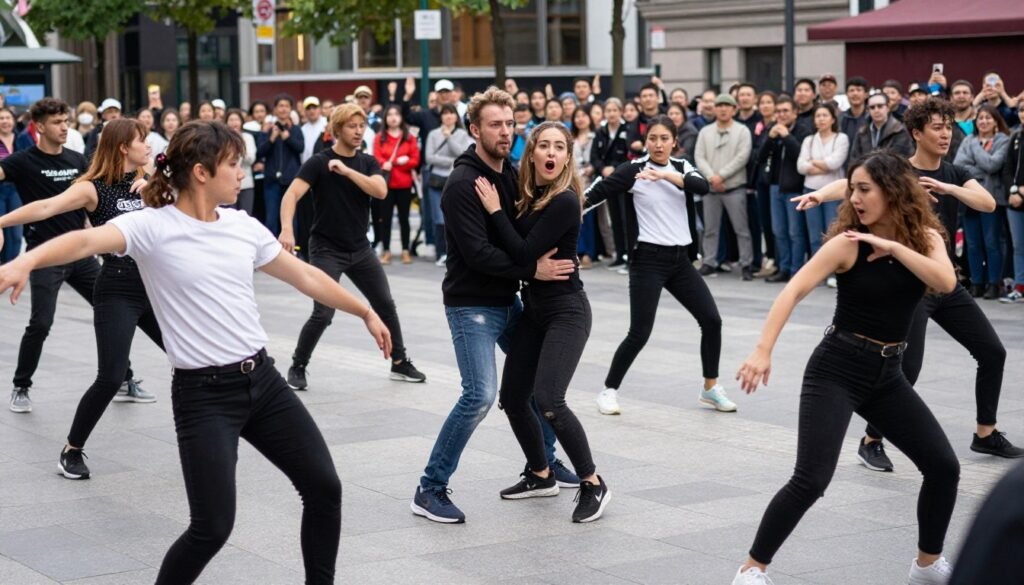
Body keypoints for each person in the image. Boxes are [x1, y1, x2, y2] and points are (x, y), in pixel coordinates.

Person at [0, 119, 390, 585]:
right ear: (202, 172)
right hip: (204, 397)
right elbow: (84, 240)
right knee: (212, 528)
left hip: (263, 383)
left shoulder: (242, 226)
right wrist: (26, 258)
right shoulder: (151, 226)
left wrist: (363, 310)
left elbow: (304, 275)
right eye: (233, 164)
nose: (242, 174)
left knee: (325, 489)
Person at [733, 151, 960, 585]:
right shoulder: (847, 244)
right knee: (811, 479)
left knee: (944, 466)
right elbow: (793, 290)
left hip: (887, 375)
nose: (855, 198)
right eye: (852, 189)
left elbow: (944, 281)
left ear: (892, 191)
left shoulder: (927, 238)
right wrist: (762, 350)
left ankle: (927, 564)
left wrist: (892, 246)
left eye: (864, 189)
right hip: (837, 367)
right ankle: (751, 570)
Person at [795, 98, 1021, 470]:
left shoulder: (954, 171)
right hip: (909, 288)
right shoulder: (898, 172)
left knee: (992, 352)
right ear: (916, 133)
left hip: (945, 282)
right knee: (907, 369)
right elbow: (852, 184)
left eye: (949, 126)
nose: (945, 133)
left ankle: (985, 433)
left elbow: (987, 203)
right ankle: (871, 441)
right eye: (936, 126)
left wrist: (951, 190)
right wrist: (820, 193)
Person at [411, 88, 579, 524]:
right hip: (472, 307)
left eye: (509, 124)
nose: (505, 132)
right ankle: (429, 488)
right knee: (480, 395)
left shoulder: (510, 174)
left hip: (509, 301)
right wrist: (532, 270)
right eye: (495, 125)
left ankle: (543, 465)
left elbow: (528, 226)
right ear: (474, 130)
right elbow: (478, 254)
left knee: (532, 385)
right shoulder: (462, 184)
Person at [0, 118, 161, 480]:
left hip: (156, 289)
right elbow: (44, 208)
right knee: (111, 376)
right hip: (118, 289)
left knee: (189, 358)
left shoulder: (149, 182)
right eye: (142, 140)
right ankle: (72, 450)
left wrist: (154, 186)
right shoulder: (93, 189)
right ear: (123, 147)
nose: (148, 146)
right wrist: (0, 222)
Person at [474, 121, 610, 522]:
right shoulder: (531, 197)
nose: (551, 153)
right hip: (534, 309)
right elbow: (521, 255)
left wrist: (496, 212)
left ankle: (592, 482)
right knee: (513, 398)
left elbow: (521, 250)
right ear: (531, 153)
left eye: (559, 147)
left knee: (549, 400)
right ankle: (540, 474)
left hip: (567, 310)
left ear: (568, 157)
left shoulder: (565, 200)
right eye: (543, 146)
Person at [583, 116, 734, 416]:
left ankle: (710, 387)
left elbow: (701, 186)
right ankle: (608, 391)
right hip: (647, 261)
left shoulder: (681, 167)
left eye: (665, 138)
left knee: (712, 321)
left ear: (674, 141)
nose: (658, 144)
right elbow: (598, 192)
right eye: (653, 138)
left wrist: (664, 177)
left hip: (679, 262)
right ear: (646, 140)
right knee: (639, 332)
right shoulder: (633, 170)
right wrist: (570, 206)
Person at [278, 103, 425, 388]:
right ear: (337, 129)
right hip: (326, 249)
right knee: (323, 312)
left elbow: (380, 190)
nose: (358, 132)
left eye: (362, 127)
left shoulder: (367, 162)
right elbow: (291, 195)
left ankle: (399, 361)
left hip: (360, 248)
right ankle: (298, 365)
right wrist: (286, 229)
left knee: (385, 304)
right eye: (352, 126)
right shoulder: (319, 162)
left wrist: (346, 171)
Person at [695, 94, 754, 280]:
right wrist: (712, 177)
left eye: (727, 106)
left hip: (734, 187)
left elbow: (742, 157)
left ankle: (746, 264)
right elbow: (699, 157)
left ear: (734, 109)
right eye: (719, 105)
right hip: (711, 188)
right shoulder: (705, 131)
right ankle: (709, 262)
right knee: (710, 229)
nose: (722, 109)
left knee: (741, 229)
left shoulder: (742, 131)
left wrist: (722, 176)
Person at [954, 104, 1010, 299]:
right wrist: (981, 165)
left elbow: (993, 165)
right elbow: (958, 166)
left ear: (996, 121)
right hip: (969, 198)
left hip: (993, 198)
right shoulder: (968, 139)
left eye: (988, 118)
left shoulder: (1003, 140)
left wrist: (976, 150)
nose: (984, 122)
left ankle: (994, 283)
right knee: (973, 243)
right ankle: (977, 283)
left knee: (992, 242)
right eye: (980, 119)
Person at [758, 96, 812, 283]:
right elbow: (761, 157)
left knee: (795, 232)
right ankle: (783, 267)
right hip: (775, 186)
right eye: (778, 111)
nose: (781, 115)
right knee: (778, 231)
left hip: (794, 188)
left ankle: (796, 270)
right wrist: (771, 138)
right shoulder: (772, 130)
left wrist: (786, 136)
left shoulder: (803, 131)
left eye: (785, 111)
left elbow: (800, 155)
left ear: (795, 112)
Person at [796, 103, 849, 264]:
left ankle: (833, 271)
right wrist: (824, 165)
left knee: (832, 233)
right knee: (814, 235)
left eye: (825, 115)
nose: (821, 119)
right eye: (817, 116)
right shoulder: (809, 140)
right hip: (811, 190)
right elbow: (800, 167)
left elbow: (835, 164)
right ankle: (817, 268)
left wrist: (812, 162)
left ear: (833, 119)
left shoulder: (841, 138)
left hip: (833, 194)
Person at [424, 104, 472, 267]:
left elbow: (462, 153)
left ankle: (455, 252)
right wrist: (450, 161)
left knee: (456, 217)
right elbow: (429, 157)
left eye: (451, 113)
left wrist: (449, 138)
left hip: (455, 180)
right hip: (437, 179)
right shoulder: (433, 134)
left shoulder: (462, 134)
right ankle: (441, 252)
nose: (448, 116)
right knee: (438, 218)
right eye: (445, 113)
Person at [373, 105, 421, 265]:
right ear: (385, 118)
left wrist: (403, 162)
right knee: (385, 219)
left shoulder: (409, 138)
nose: (393, 117)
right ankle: (386, 250)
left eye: (396, 114)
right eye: (390, 114)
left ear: (401, 118)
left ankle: (405, 250)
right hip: (385, 185)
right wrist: (385, 163)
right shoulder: (379, 137)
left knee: (404, 219)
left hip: (404, 184)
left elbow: (415, 159)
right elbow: (376, 158)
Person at [590, 97, 631, 269]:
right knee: (614, 218)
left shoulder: (627, 130)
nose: (612, 114)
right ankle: (619, 254)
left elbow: (627, 156)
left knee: (625, 217)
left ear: (620, 112)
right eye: (609, 111)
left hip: (623, 180)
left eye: (615, 110)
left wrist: (614, 168)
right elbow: (594, 156)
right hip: (607, 180)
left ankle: (630, 255)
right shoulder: (601, 131)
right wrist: (603, 168)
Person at [257, 94, 304, 236]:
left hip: (291, 180)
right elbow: (260, 152)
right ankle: (271, 253)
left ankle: (292, 251)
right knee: (271, 218)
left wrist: (287, 138)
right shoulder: (267, 130)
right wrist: (272, 138)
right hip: (271, 181)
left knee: (291, 218)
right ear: (275, 109)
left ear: (291, 109)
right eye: (280, 106)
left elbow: (300, 148)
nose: (283, 109)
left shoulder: (295, 130)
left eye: (287, 106)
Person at [1001, 102, 1024, 303]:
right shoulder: (1015, 136)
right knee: (1018, 246)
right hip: (1015, 200)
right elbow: (1007, 168)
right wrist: (1014, 190)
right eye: (1022, 110)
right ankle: (1019, 286)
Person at [849, 91, 914, 162]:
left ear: (888, 107)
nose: (876, 110)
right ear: (868, 110)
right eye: (872, 107)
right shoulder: (862, 132)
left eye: (880, 106)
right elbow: (854, 160)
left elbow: (902, 160)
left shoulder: (899, 131)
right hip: (864, 172)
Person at [571, 107, 598, 269]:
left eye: (583, 115)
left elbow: (599, 158)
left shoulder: (596, 137)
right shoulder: (570, 138)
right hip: (574, 181)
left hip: (591, 182)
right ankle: (578, 252)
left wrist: (593, 167)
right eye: (577, 116)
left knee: (589, 218)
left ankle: (589, 253)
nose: (580, 119)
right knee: (575, 218)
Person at [225, 108, 257, 215]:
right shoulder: (222, 139)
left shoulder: (248, 137)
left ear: (241, 122)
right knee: (230, 215)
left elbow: (250, 159)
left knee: (246, 215)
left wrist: (240, 146)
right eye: (231, 120)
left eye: (237, 119)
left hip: (246, 183)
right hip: (227, 182)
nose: (234, 123)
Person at [0, 107, 22, 263]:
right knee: (1, 229)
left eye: (8, 118)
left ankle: (12, 264)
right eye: (1, 118)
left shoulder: (21, 139)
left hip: (17, 189)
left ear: (13, 121)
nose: (5, 121)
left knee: (15, 230)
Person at [839, 76, 870, 146]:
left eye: (859, 90)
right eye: (851, 90)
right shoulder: (840, 118)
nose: (855, 93)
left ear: (866, 95)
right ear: (846, 95)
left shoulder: (872, 117)